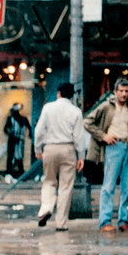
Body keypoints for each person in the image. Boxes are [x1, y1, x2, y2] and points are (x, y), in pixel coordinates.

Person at [85, 78, 128, 232]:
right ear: (116, 92)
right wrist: (103, 136)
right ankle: (105, 221)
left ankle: (123, 220)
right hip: (113, 147)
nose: (124, 94)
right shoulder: (106, 107)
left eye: (126, 91)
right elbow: (87, 122)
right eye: (121, 91)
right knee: (108, 186)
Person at [33, 82, 86, 231]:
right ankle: (61, 223)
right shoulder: (76, 112)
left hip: (49, 148)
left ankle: (46, 208)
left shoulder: (48, 108)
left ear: (58, 93)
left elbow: (39, 131)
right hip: (68, 149)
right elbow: (79, 137)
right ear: (72, 95)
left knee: (49, 181)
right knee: (66, 186)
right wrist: (81, 156)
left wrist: (38, 148)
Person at [4, 103, 31, 180]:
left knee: (19, 156)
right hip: (12, 139)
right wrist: (10, 132)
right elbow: (5, 129)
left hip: (20, 140)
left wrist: (30, 134)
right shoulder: (10, 118)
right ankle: (9, 172)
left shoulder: (23, 119)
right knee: (10, 156)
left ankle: (20, 172)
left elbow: (29, 128)